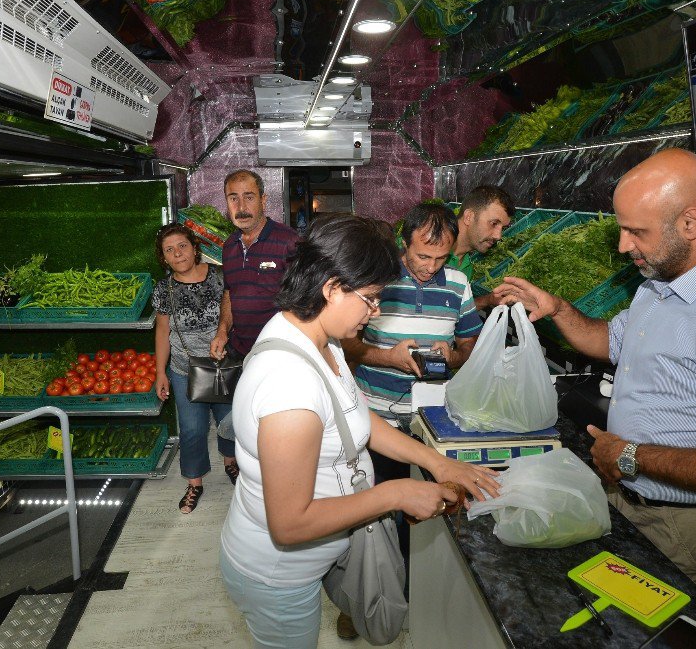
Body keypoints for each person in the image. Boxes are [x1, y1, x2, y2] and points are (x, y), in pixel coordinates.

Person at [500, 148, 696, 612]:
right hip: (633, 501)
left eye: (636, 231)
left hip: (694, 533)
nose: (625, 245)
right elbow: (614, 342)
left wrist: (628, 455)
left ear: (690, 223)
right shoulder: (660, 285)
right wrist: (561, 310)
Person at [219, 214, 499, 648]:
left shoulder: (319, 338)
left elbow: (356, 418)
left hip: (315, 559)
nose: (377, 311)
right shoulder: (288, 384)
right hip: (278, 576)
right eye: (370, 299)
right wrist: (395, 495)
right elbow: (290, 525)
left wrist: (435, 461)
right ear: (332, 288)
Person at [343, 203, 483, 431]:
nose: (431, 267)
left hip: (434, 415)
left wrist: (454, 357)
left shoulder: (458, 283)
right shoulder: (377, 279)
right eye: (423, 256)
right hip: (375, 415)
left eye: (441, 258)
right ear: (404, 244)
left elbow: (470, 345)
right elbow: (347, 344)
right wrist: (388, 358)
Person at [153, 223, 238, 513]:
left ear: (194, 247)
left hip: (223, 366)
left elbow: (234, 316)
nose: (177, 253)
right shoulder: (164, 290)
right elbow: (162, 332)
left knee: (229, 423)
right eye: (169, 250)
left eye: (182, 246)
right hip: (183, 369)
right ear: (163, 258)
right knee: (192, 429)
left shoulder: (220, 278)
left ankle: (231, 464)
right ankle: (194, 483)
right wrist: (160, 372)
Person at [211, 169, 300, 360]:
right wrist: (222, 331)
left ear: (263, 200)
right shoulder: (229, 246)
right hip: (240, 352)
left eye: (249, 197)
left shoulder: (289, 241)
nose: (241, 207)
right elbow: (229, 292)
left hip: (279, 353)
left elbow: (305, 300)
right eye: (233, 198)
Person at [445, 185, 516, 311]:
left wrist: (488, 300)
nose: (498, 236)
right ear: (469, 217)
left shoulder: (466, 267)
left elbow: (452, 310)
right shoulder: (428, 251)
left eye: (503, 228)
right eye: (494, 223)